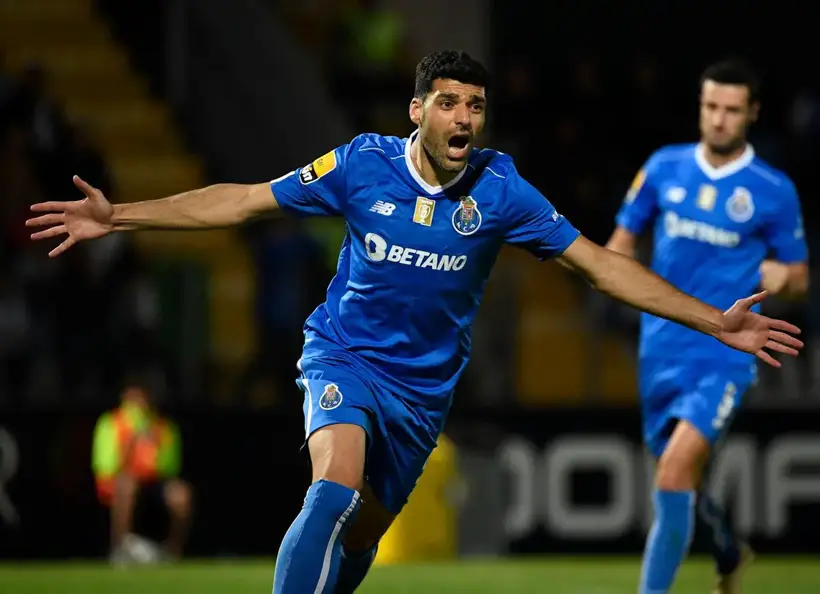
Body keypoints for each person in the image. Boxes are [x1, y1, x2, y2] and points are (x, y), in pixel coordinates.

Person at [28, 50, 802, 593]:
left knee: (361, 539)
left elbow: (599, 263)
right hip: (342, 357)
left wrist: (713, 320)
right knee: (332, 491)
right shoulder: (362, 163)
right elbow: (245, 198)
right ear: (418, 110)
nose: (465, 117)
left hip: (422, 395)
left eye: (476, 106)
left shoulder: (502, 191)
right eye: (450, 103)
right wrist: (120, 216)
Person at [606, 59, 809, 594]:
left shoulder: (773, 189)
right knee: (683, 480)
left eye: (731, 110)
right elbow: (620, 246)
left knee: (672, 473)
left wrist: (779, 275)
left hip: (726, 351)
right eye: (710, 106)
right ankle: (728, 552)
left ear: (752, 114)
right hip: (661, 344)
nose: (718, 119)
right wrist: (611, 272)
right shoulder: (664, 167)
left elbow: (800, 277)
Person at [92, 373, 193, 563]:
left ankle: (173, 551)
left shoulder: (164, 427)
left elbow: (171, 468)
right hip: (120, 483)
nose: (140, 401)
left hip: (153, 483)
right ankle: (120, 548)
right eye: (135, 395)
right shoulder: (111, 423)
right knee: (126, 484)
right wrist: (130, 446)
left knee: (180, 493)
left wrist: (152, 448)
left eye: (144, 395)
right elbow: (104, 466)